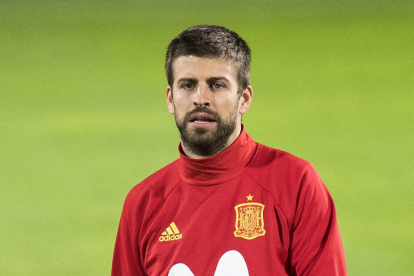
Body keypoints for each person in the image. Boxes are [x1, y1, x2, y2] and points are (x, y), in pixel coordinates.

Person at [112, 25, 347, 276]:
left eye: (217, 85)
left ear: (244, 99)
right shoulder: (143, 204)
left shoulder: (295, 182)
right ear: (171, 99)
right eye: (188, 85)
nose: (200, 98)